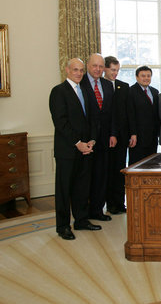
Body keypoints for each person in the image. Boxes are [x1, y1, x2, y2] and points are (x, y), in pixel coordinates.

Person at [49, 58, 101, 240]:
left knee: (82, 187)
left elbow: (93, 118)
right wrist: (77, 143)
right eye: (75, 70)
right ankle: (62, 226)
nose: (79, 73)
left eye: (81, 70)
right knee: (64, 190)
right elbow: (61, 122)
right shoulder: (58, 92)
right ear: (67, 70)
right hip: (68, 151)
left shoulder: (85, 91)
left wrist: (91, 141)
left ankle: (81, 220)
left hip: (87, 148)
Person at [80, 53, 114, 222]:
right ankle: (83, 214)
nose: (98, 69)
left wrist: (113, 133)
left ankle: (98, 210)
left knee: (102, 175)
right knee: (86, 177)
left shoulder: (108, 85)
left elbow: (112, 113)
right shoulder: (80, 83)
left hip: (105, 138)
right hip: (86, 140)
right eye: (95, 66)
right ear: (88, 65)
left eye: (101, 67)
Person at [103, 56, 134, 214]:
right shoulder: (100, 86)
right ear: (105, 69)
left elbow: (128, 112)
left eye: (117, 70)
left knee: (120, 171)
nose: (115, 73)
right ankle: (109, 204)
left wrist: (132, 133)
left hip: (122, 137)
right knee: (107, 172)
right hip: (105, 137)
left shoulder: (124, 86)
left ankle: (119, 203)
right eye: (112, 70)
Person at [128, 65, 160, 165]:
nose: (146, 78)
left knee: (152, 164)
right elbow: (130, 114)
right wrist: (133, 134)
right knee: (137, 165)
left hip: (152, 136)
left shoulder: (155, 92)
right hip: (138, 137)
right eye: (143, 76)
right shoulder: (130, 91)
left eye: (148, 76)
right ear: (137, 77)